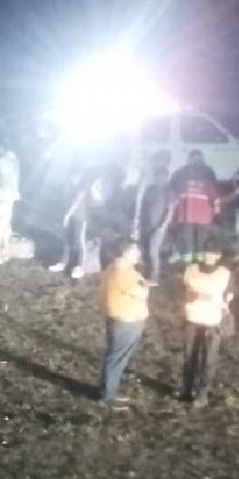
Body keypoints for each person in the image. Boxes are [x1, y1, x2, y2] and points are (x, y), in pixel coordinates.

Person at [97, 238, 149, 405]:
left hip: (119, 320)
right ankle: (108, 395)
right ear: (125, 253)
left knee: (115, 357)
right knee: (117, 359)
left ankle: (108, 389)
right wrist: (145, 286)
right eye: (135, 250)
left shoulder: (114, 268)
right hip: (127, 323)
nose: (138, 253)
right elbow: (142, 293)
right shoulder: (125, 273)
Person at [181, 238, 233, 406]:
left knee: (208, 360)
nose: (209, 256)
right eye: (206, 252)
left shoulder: (225, 274)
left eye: (213, 253)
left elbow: (228, 297)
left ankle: (202, 394)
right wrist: (195, 296)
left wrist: (225, 311)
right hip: (192, 318)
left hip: (212, 321)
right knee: (190, 357)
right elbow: (182, 293)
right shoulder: (190, 270)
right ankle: (186, 389)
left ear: (218, 256)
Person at [49, 173, 107, 279]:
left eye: (74, 176)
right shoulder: (72, 187)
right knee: (68, 240)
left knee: (79, 241)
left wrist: (67, 214)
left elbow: (76, 203)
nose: (73, 178)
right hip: (73, 218)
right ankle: (63, 263)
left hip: (80, 218)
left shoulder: (83, 189)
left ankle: (79, 267)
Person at [169, 150, 219, 264]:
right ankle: (189, 263)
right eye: (194, 158)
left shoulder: (208, 172)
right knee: (187, 239)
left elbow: (213, 191)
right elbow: (173, 187)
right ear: (189, 159)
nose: (196, 161)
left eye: (198, 158)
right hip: (191, 213)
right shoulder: (181, 172)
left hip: (199, 213)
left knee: (200, 239)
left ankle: (196, 263)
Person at [136, 151, 174, 284]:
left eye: (162, 177)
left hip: (158, 227)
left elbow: (169, 211)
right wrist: (140, 222)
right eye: (158, 177)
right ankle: (147, 273)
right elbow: (144, 207)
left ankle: (155, 276)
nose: (160, 179)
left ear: (166, 177)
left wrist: (162, 227)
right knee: (145, 249)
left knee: (153, 250)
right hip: (146, 225)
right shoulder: (150, 189)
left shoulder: (168, 191)